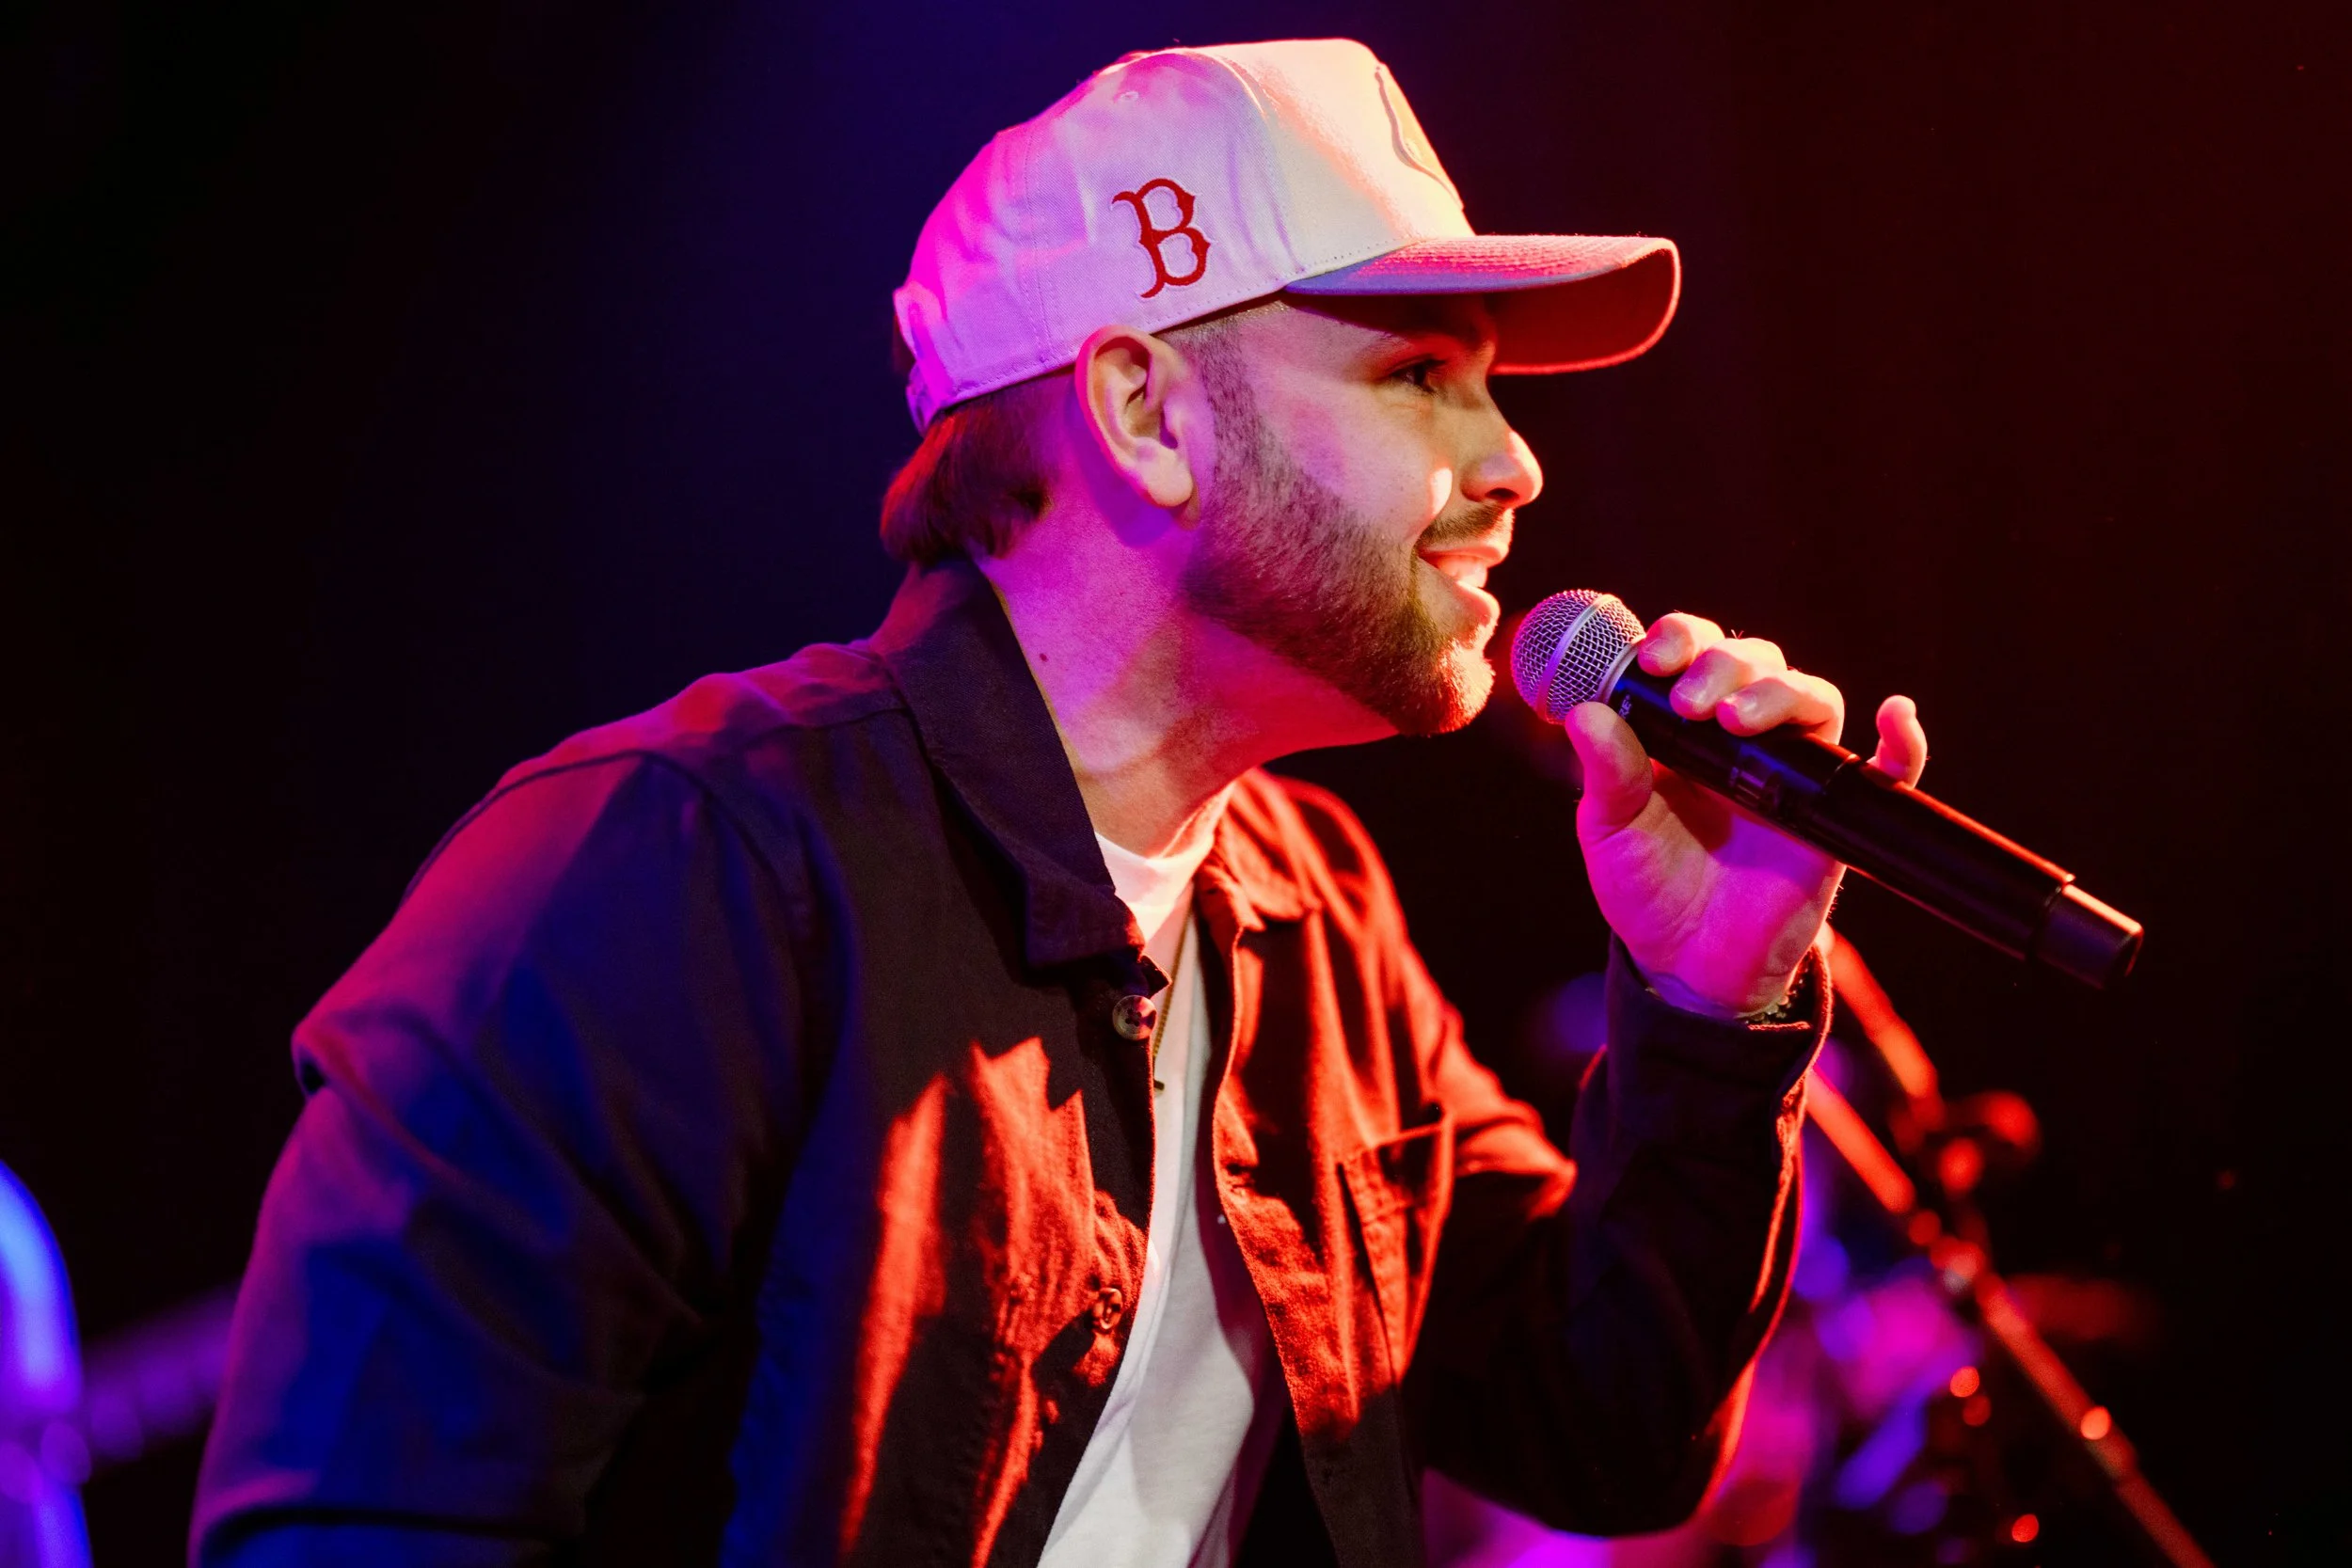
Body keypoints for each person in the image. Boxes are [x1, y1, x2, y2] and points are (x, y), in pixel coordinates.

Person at [191, 38, 1930, 1568]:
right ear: (1141, 409)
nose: (1513, 461)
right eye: (1421, 372)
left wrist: (1712, 1001)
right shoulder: (670, 866)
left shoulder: (1315, 919)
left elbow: (1601, 1429)